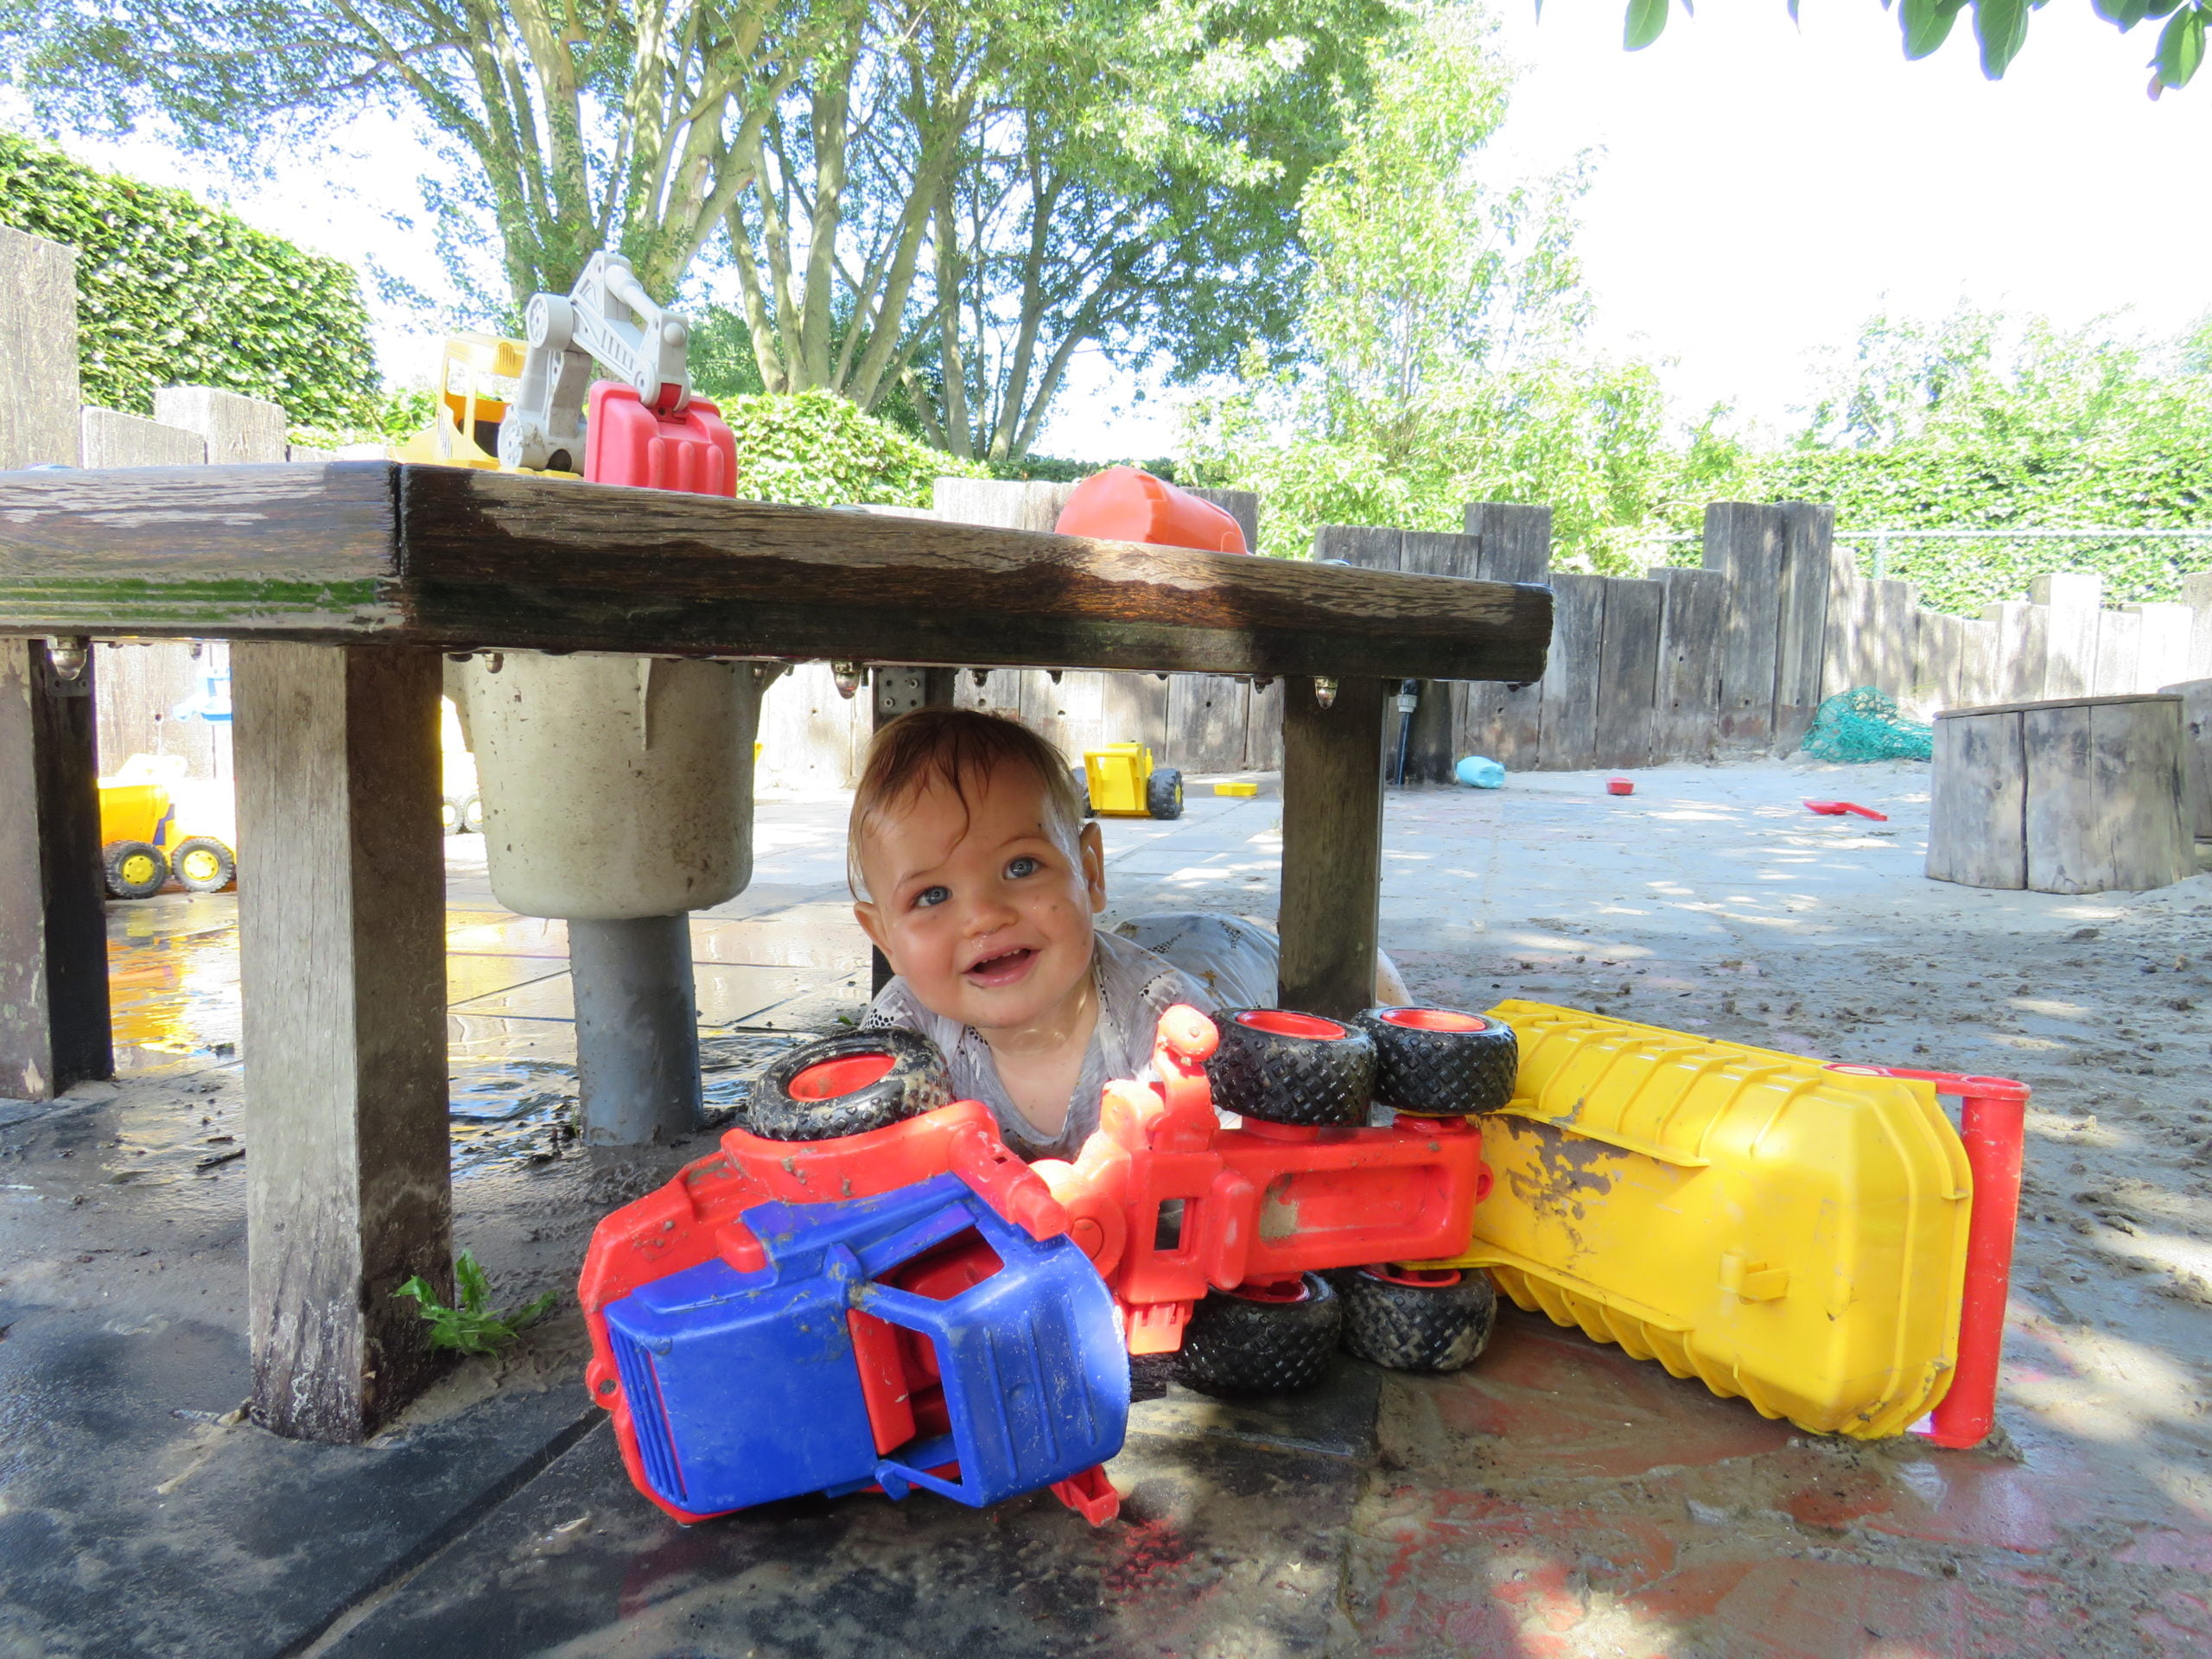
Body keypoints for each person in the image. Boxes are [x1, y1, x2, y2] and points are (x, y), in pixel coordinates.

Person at [849, 707, 1404, 1161]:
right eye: (932, 896)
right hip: (1140, 940)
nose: (983, 917)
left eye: (1021, 867)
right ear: (885, 938)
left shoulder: (1170, 1024)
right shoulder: (901, 1032)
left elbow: (1244, 1169)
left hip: (1223, 956)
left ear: (1090, 873)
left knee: (1330, 982)